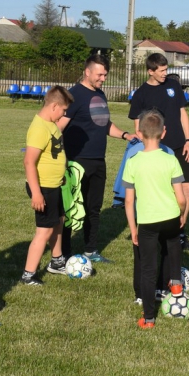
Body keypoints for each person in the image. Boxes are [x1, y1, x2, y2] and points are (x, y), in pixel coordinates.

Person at [56, 54, 134, 267]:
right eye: (100, 74)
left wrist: (126, 135)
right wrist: (60, 159)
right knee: (72, 208)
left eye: (105, 75)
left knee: (93, 208)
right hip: (76, 161)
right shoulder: (73, 96)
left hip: (98, 160)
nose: (103, 78)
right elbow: (58, 128)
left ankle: (90, 250)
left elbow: (104, 123)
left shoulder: (100, 94)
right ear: (87, 71)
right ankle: (63, 254)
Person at [123, 110, 186, 328]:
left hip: (147, 222)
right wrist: (182, 213)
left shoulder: (132, 161)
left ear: (139, 133)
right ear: (164, 132)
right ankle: (176, 284)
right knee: (173, 244)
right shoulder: (171, 160)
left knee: (148, 269)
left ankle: (149, 318)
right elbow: (181, 197)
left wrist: (133, 228)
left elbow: (129, 202)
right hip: (170, 215)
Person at [128, 53, 189, 252]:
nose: (165, 73)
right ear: (150, 71)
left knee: (187, 190)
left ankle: (180, 232)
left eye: (166, 69)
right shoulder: (141, 93)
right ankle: (156, 231)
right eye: (162, 71)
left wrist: (188, 141)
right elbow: (138, 125)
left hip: (179, 146)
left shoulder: (173, 86)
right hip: (158, 150)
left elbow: (183, 113)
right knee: (162, 192)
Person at [21, 86, 74, 284]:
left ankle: (57, 261)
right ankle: (28, 274)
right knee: (44, 231)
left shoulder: (51, 124)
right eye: (63, 110)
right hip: (42, 188)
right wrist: (36, 193)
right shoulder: (39, 128)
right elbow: (29, 162)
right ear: (54, 106)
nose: (64, 114)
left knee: (58, 221)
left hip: (53, 185)